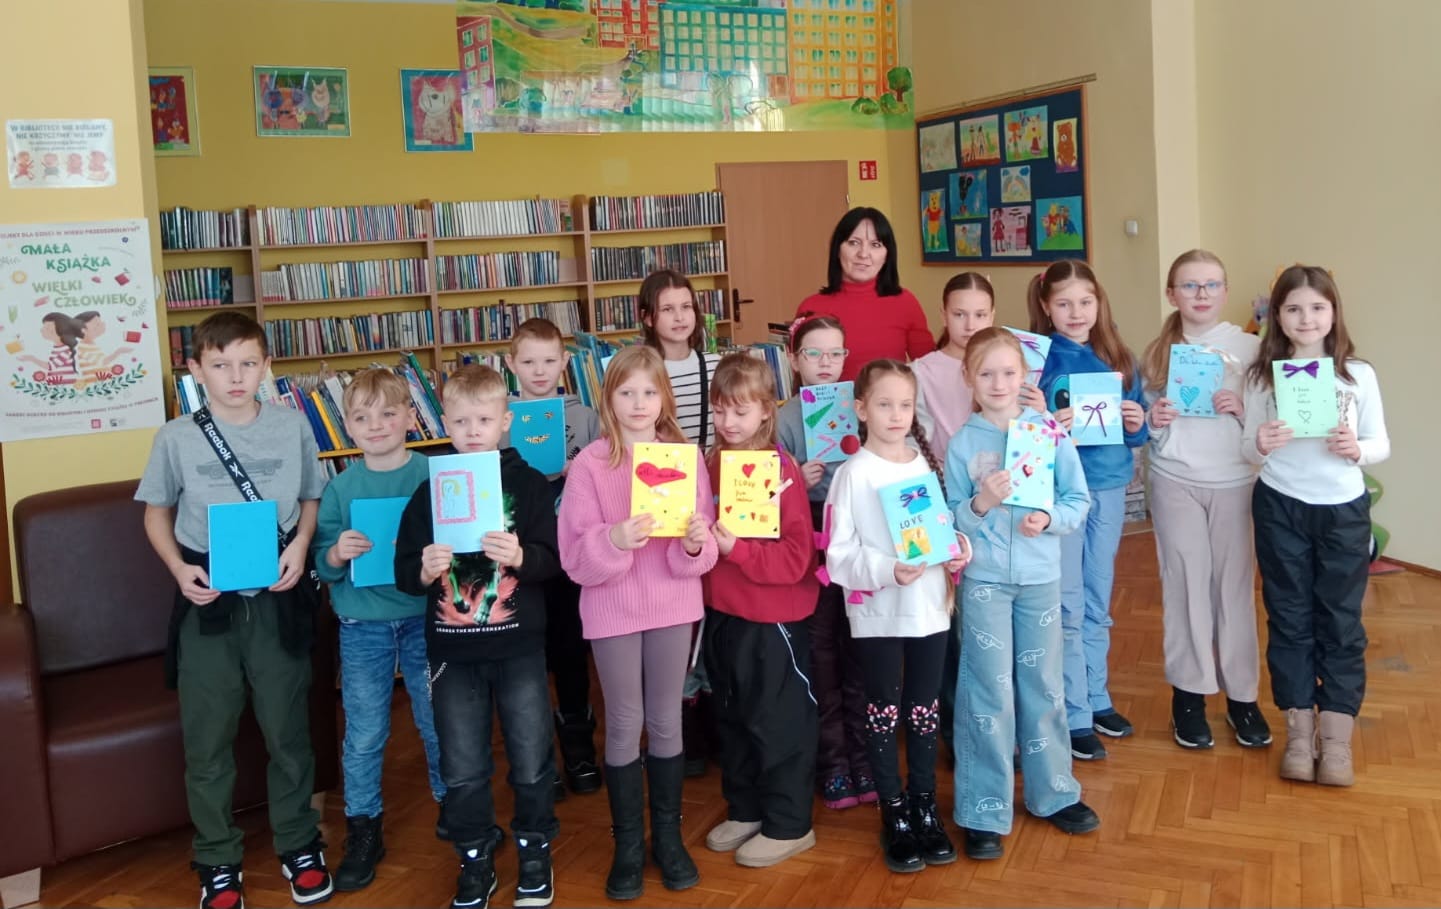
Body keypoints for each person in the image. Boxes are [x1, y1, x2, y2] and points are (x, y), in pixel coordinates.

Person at [135, 311, 331, 909]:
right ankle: (218, 857)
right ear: (196, 370)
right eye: (221, 365)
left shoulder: (292, 426)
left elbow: (311, 495)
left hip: (277, 595)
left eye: (248, 364)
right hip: (209, 601)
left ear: (267, 366)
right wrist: (179, 570)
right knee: (208, 738)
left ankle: (299, 842)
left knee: (288, 730)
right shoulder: (175, 437)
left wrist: (301, 545)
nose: (236, 377)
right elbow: (155, 514)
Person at [394, 364, 563, 909]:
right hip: (453, 651)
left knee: (532, 756)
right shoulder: (430, 491)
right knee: (462, 764)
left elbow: (553, 561)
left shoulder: (529, 485)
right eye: (461, 421)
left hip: (518, 647)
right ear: (444, 422)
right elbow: (404, 573)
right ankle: (474, 857)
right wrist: (423, 570)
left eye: (484, 420)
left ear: (505, 421)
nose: (472, 431)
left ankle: (534, 849)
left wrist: (522, 556)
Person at [556, 345, 718, 900]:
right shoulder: (590, 464)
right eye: (627, 392)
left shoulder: (684, 459)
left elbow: (700, 550)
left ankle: (667, 839)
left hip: (673, 603)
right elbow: (574, 557)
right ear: (609, 399)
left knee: (667, 718)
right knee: (625, 721)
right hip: (613, 609)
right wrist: (614, 539)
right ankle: (628, 844)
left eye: (649, 392)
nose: (639, 402)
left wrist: (694, 543)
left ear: (664, 398)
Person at [945, 327, 1098, 860]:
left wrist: (1048, 518)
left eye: (1009, 372)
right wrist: (980, 504)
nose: (998, 383)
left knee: (1044, 686)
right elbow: (950, 523)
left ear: (1024, 375)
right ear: (968, 377)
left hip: (1039, 579)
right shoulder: (962, 444)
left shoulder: (1048, 434)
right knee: (986, 692)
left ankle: (1054, 792)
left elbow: (1078, 500)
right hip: (985, 581)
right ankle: (982, 808)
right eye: (986, 373)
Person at [1242, 265, 1389, 786]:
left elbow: (1380, 443)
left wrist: (1357, 449)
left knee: (1341, 622)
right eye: (1294, 309)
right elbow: (1247, 449)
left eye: (1317, 307)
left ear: (1333, 312)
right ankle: (1300, 736)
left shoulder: (1357, 374)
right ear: (1278, 317)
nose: (1307, 319)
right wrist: (1260, 442)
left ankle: (1338, 740)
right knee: (1288, 617)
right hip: (1280, 503)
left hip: (1342, 509)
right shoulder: (1262, 376)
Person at [823, 359, 965, 874]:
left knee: (924, 710)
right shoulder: (852, 475)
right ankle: (894, 810)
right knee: (883, 710)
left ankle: (925, 803)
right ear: (861, 409)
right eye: (885, 405)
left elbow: (940, 530)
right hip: (880, 613)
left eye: (905, 405)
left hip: (930, 610)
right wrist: (887, 569)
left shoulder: (924, 464)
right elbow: (838, 556)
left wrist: (957, 550)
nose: (896, 415)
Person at [311, 368, 445, 892]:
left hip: (424, 618)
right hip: (362, 624)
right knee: (365, 732)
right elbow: (322, 565)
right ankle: (363, 827)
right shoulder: (341, 488)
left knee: (436, 718)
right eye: (363, 417)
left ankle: (453, 804)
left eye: (389, 413)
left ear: (411, 417)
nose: (377, 425)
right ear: (347, 426)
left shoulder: (431, 475)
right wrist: (336, 553)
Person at [1140, 250, 1269, 750]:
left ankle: (1242, 698)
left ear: (1225, 291)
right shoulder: (1158, 352)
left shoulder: (1251, 349)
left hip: (1235, 482)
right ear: (1171, 294)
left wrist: (1242, 411)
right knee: (1185, 587)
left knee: (1233, 591)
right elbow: (1143, 426)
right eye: (1190, 285)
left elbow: (1270, 422)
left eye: (1211, 284)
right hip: (1175, 480)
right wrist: (1154, 420)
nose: (1201, 294)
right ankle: (1189, 697)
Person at [701, 354, 820, 867]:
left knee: (779, 721)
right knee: (733, 717)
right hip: (722, 613)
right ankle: (746, 807)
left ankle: (790, 824)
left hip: (774, 619)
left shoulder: (782, 469)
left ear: (767, 411)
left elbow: (797, 558)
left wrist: (739, 551)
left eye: (741, 411)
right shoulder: (709, 463)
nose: (728, 422)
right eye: (720, 410)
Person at [1029, 259, 1149, 761]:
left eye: (1085, 301)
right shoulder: (1038, 360)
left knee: (1098, 597)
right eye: (1064, 303)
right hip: (1062, 493)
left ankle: (1097, 697)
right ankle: (1074, 711)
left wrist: (1137, 421)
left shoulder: (1120, 356)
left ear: (1099, 303)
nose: (1076, 312)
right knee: (1069, 603)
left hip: (1111, 487)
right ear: (1045, 306)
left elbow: (1138, 432)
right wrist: (1046, 425)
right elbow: (1022, 435)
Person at [775, 315, 877, 811]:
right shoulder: (784, 418)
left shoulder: (861, 408)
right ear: (793, 359)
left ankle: (865, 756)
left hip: (858, 532)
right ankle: (833, 762)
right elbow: (765, 493)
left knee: (859, 642)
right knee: (820, 648)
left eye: (835, 353)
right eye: (813, 353)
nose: (825, 363)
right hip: (809, 533)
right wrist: (796, 478)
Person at [501, 317, 604, 797]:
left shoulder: (586, 417)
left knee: (569, 652)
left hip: (569, 556)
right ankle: (537, 758)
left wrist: (575, 471)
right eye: (528, 362)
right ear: (511, 364)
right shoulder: (501, 420)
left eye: (548, 361)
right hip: (520, 557)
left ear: (565, 362)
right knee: (527, 658)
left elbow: (605, 473)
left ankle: (579, 749)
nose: (539, 371)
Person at [637, 268, 722, 775]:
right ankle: (678, 727)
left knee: (710, 613)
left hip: (709, 498)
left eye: (686, 307)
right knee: (675, 617)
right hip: (660, 497)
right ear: (648, 317)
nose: (679, 317)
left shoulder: (714, 364)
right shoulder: (641, 371)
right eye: (667, 309)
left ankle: (711, 717)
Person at [909, 272, 996, 769]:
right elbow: (913, 437)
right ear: (943, 314)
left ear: (993, 315)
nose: (970, 324)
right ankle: (954, 730)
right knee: (951, 619)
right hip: (943, 500)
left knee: (988, 616)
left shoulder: (1003, 365)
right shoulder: (922, 371)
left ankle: (994, 724)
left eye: (980, 314)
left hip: (996, 504)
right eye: (960, 314)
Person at [794, 207, 932, 381]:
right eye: (853, 242)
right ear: (837, 249)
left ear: (887, 255)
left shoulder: (906, 303)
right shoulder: (811, 307)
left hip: (888, 399)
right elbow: (800, 378)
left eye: (876, 245)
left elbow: (929, 370)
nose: (863, 254)